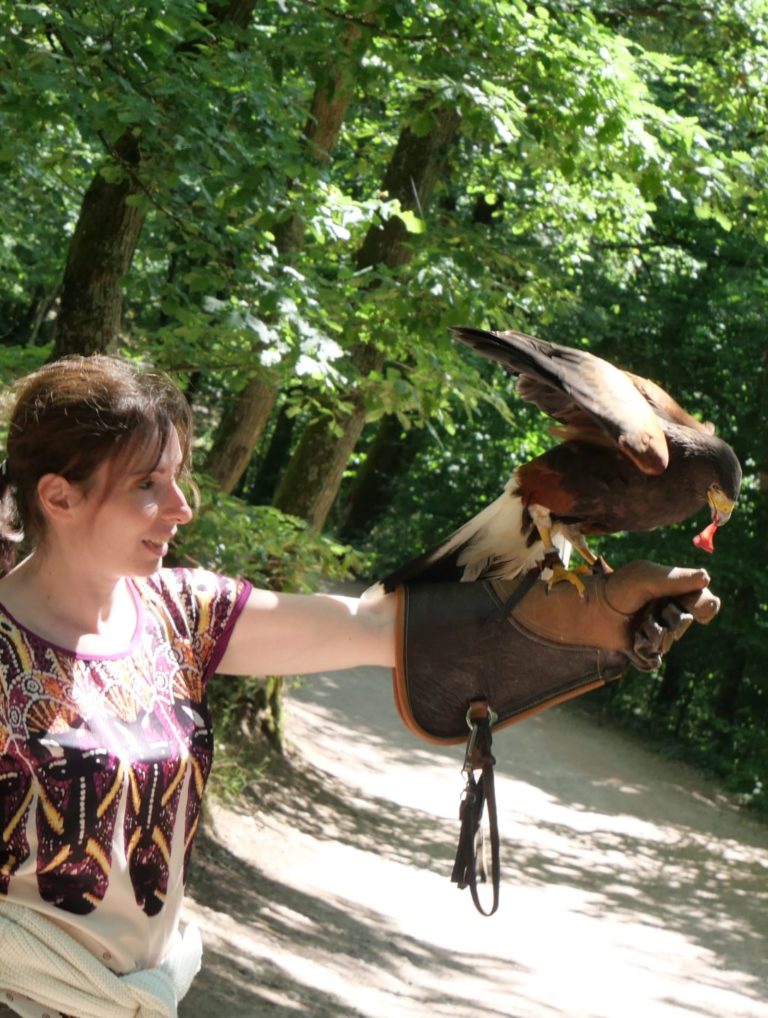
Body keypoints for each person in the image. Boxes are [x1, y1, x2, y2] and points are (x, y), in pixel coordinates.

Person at [0, 355, 719, 1018]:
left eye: (181, 476)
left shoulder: (183, 613)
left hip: (145, 996)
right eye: (147, 485)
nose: (184, 506)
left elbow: (372, 627)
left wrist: (595, 616)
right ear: (59, 498)